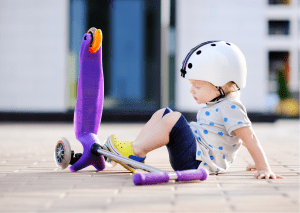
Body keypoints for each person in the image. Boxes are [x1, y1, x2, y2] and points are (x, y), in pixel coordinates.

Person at [103, 41, 282, 179]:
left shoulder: (230, 107)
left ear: (223, 85)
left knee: (174, 117)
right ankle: (135, 153)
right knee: (163, 113)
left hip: (196, 162)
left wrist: (263, 166)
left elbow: (249, 138)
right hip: (192, 155)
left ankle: (137, 151)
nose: (191, 90)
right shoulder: (216, 104)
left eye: (197, 86)